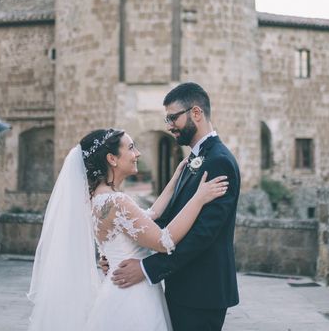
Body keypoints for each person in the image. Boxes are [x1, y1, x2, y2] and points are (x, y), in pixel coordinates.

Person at [26, 127, 228, 331]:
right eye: (131, 148)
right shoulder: (117, 201)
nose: (137, 153)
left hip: (115, 291)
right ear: (112, 159)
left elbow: (150, 215)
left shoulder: (97, 199)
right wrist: (199, 198)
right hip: (134, 298)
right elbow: (164, 241)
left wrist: (175, 178)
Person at [111, 82, 241, 331]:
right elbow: (168, 220)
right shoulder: (194, 158)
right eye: (167, 119)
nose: (169, 126)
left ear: (196, 113)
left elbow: (202, 235)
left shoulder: (219, 162)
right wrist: (128, 249)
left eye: (173, 118)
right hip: (182, 285)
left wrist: (148, 268)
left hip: (202, 292)